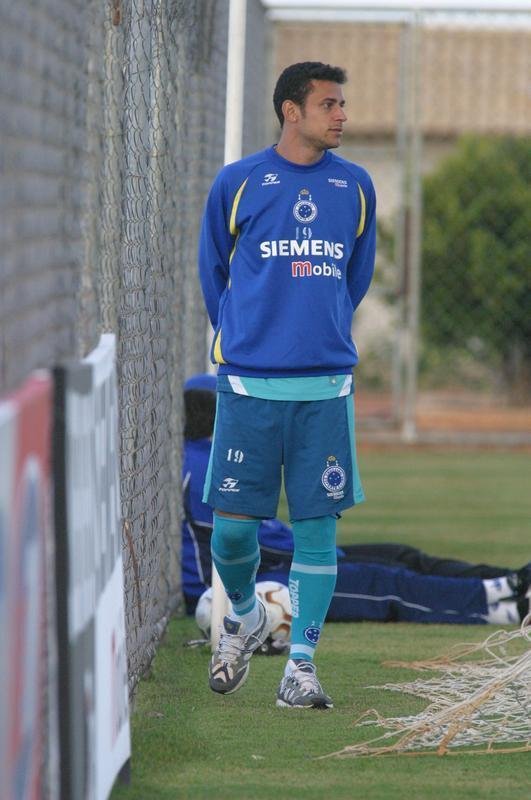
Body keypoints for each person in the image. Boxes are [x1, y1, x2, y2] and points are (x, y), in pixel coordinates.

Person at [198, 61, 377, 708]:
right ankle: (243, 616)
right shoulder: (238, 182)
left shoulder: (355, 186)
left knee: (316, 529)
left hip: (324, 390)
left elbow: (354, 277)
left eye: (341, 104)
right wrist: (251, 337)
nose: (341, 115)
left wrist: (313, 331)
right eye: (329, 104)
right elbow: (213, 269)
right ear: (290, 111)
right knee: (233, 534)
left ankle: (299, 665)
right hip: (249, 386)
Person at [182, 376, 531, 638]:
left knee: (399, 555)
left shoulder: (208, 455)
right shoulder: (203, 467)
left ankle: (509, 580)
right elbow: (248, 542)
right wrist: (318, 553)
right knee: (384, 582)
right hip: (238, 585)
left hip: (275, 561)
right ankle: (505, 605)